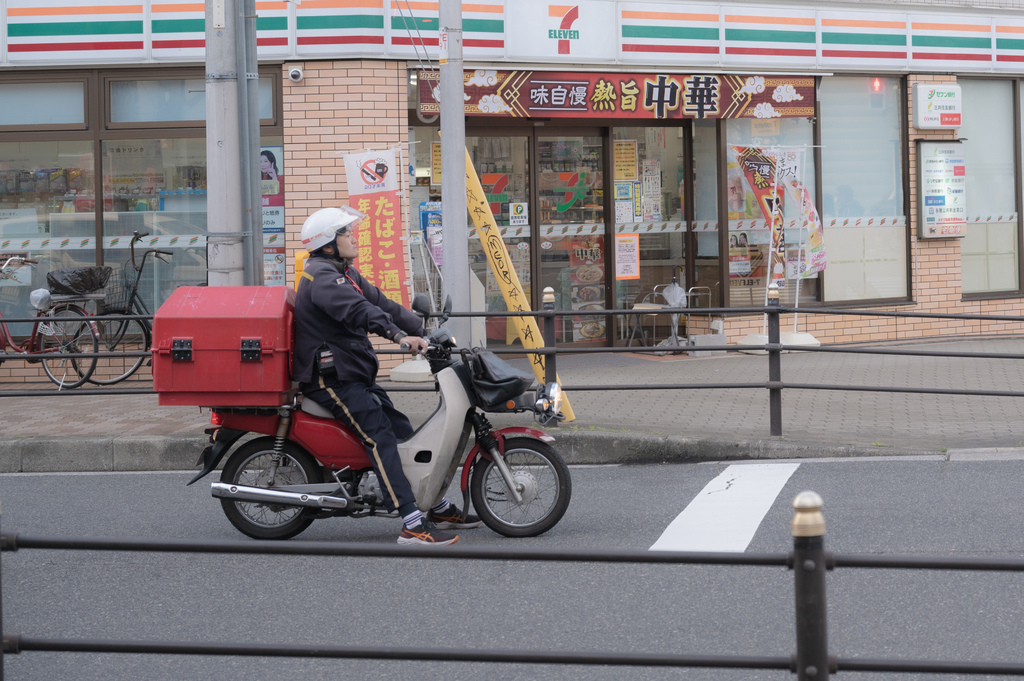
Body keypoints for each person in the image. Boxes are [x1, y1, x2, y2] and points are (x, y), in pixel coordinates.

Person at [293, 206, 481, 546]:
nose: (353, 236)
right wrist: (399, 338)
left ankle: (434, 504)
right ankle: (411, 523)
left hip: (352, 373)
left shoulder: (345, 272)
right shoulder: (322, 277)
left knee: (401, 429)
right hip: (330, 379)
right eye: (346, 233)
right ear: (328, 243)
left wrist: (424, 328)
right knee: (380, 437)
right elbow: (361, 311)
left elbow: (381, 303)